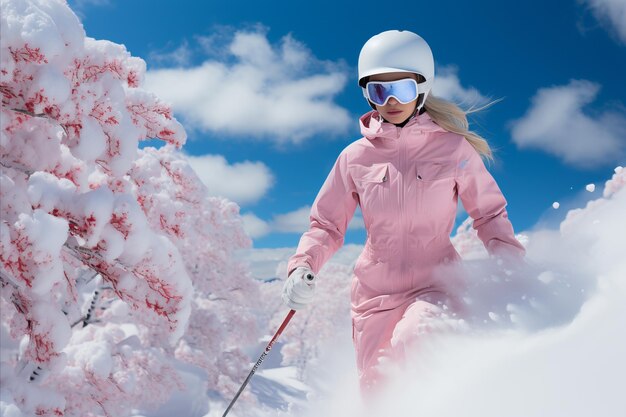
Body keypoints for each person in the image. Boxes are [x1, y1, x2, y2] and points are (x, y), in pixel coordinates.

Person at [281, 29, 525, 392]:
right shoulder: (354, 157)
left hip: (436, 285)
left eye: (403, 89)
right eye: (379, 90)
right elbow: (327, 224)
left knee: (420, 339)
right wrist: (303, 266)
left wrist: (512, 266)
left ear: (422, 90)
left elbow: (489, 214)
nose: (391, 100)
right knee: (379, 391)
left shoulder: (453, 150)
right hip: (373, 296)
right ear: (368, 95)